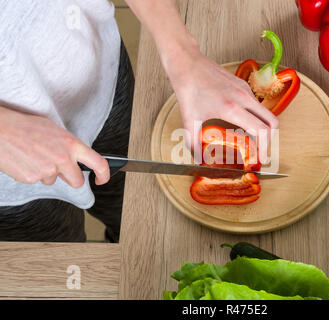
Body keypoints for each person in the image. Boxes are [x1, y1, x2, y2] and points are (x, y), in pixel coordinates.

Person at [0, 0, 278, 243]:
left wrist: (182, 52)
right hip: (12, 171)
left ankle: (120, 246)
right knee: (61, 267)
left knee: (132, 214)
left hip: (101, 77)